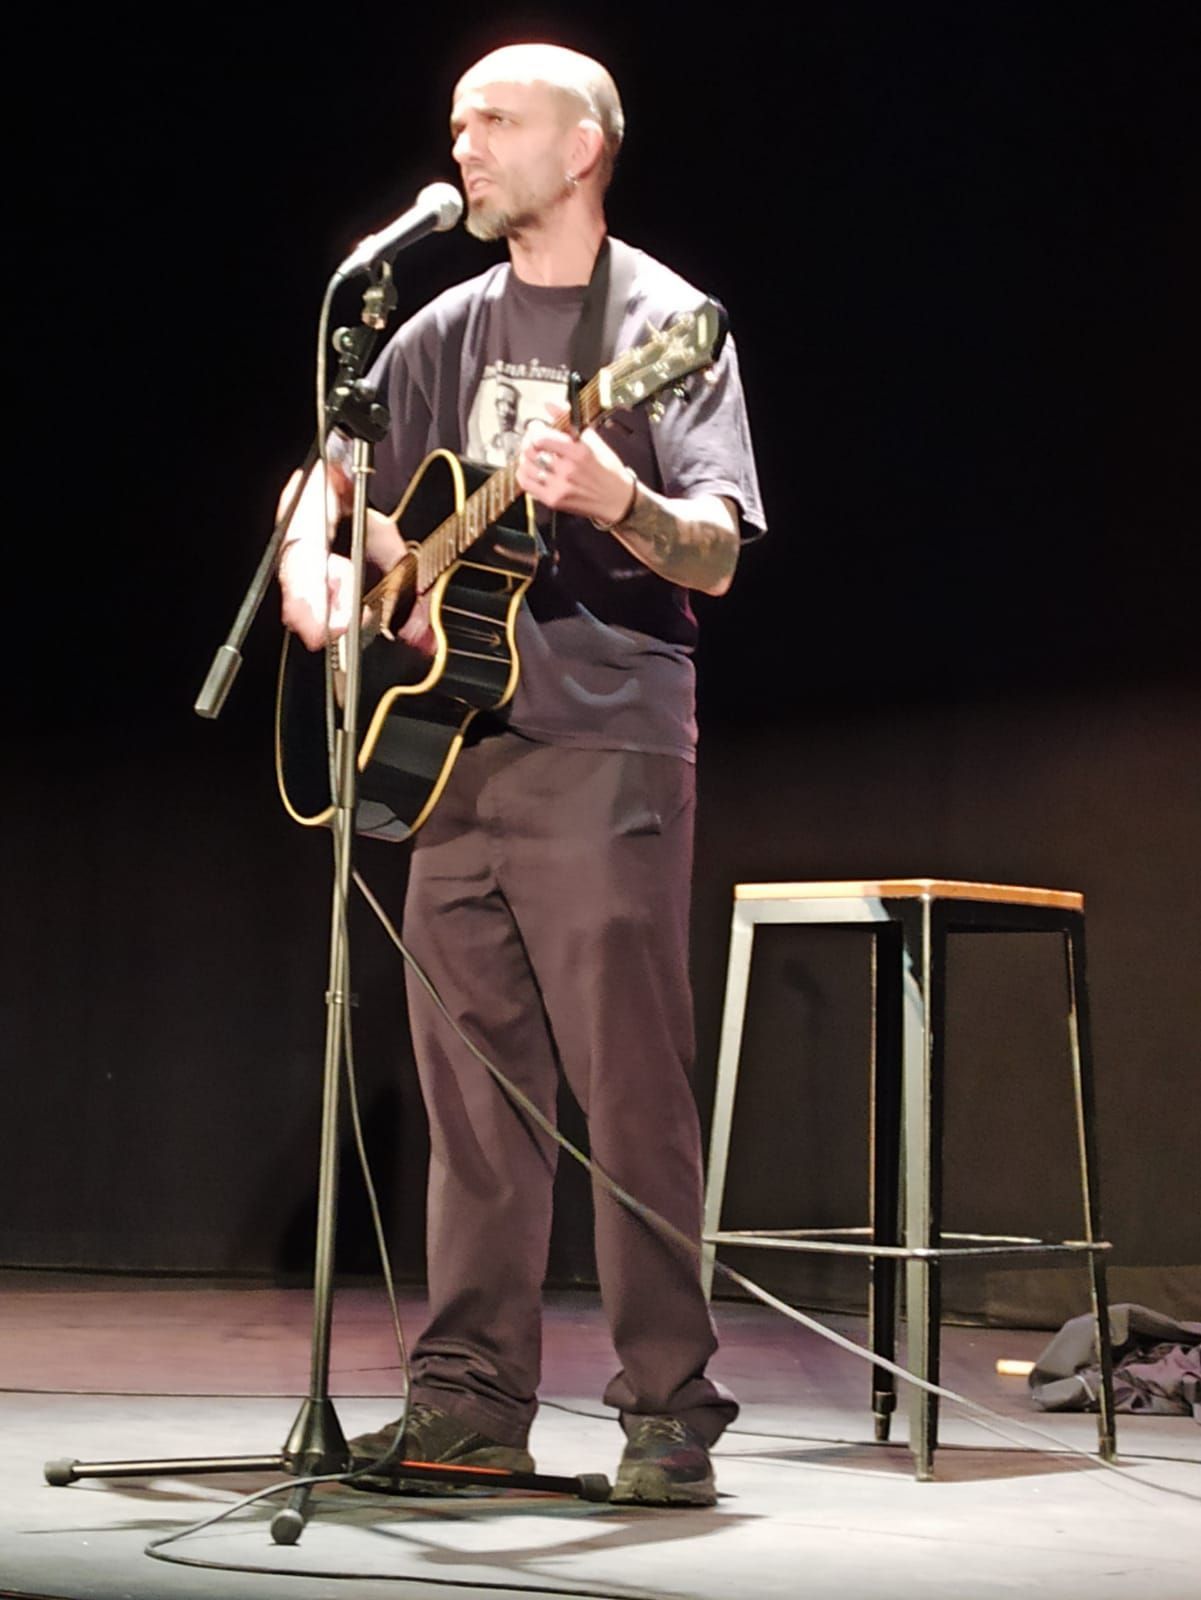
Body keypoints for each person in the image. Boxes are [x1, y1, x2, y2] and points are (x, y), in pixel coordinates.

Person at [279, 42, 765, 1507]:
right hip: (450, 751)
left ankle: (669, 1408)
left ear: (583, 146)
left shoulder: (662, 321)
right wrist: (317, 560)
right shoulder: (442, 326)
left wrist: (621, 501)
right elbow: (329, 478)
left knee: (627, 1088)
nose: (466, 145)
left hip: (606, 739)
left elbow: (717, 550)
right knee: (471, 1099)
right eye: (457, 122)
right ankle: (468, 1402)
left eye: (496, 121)